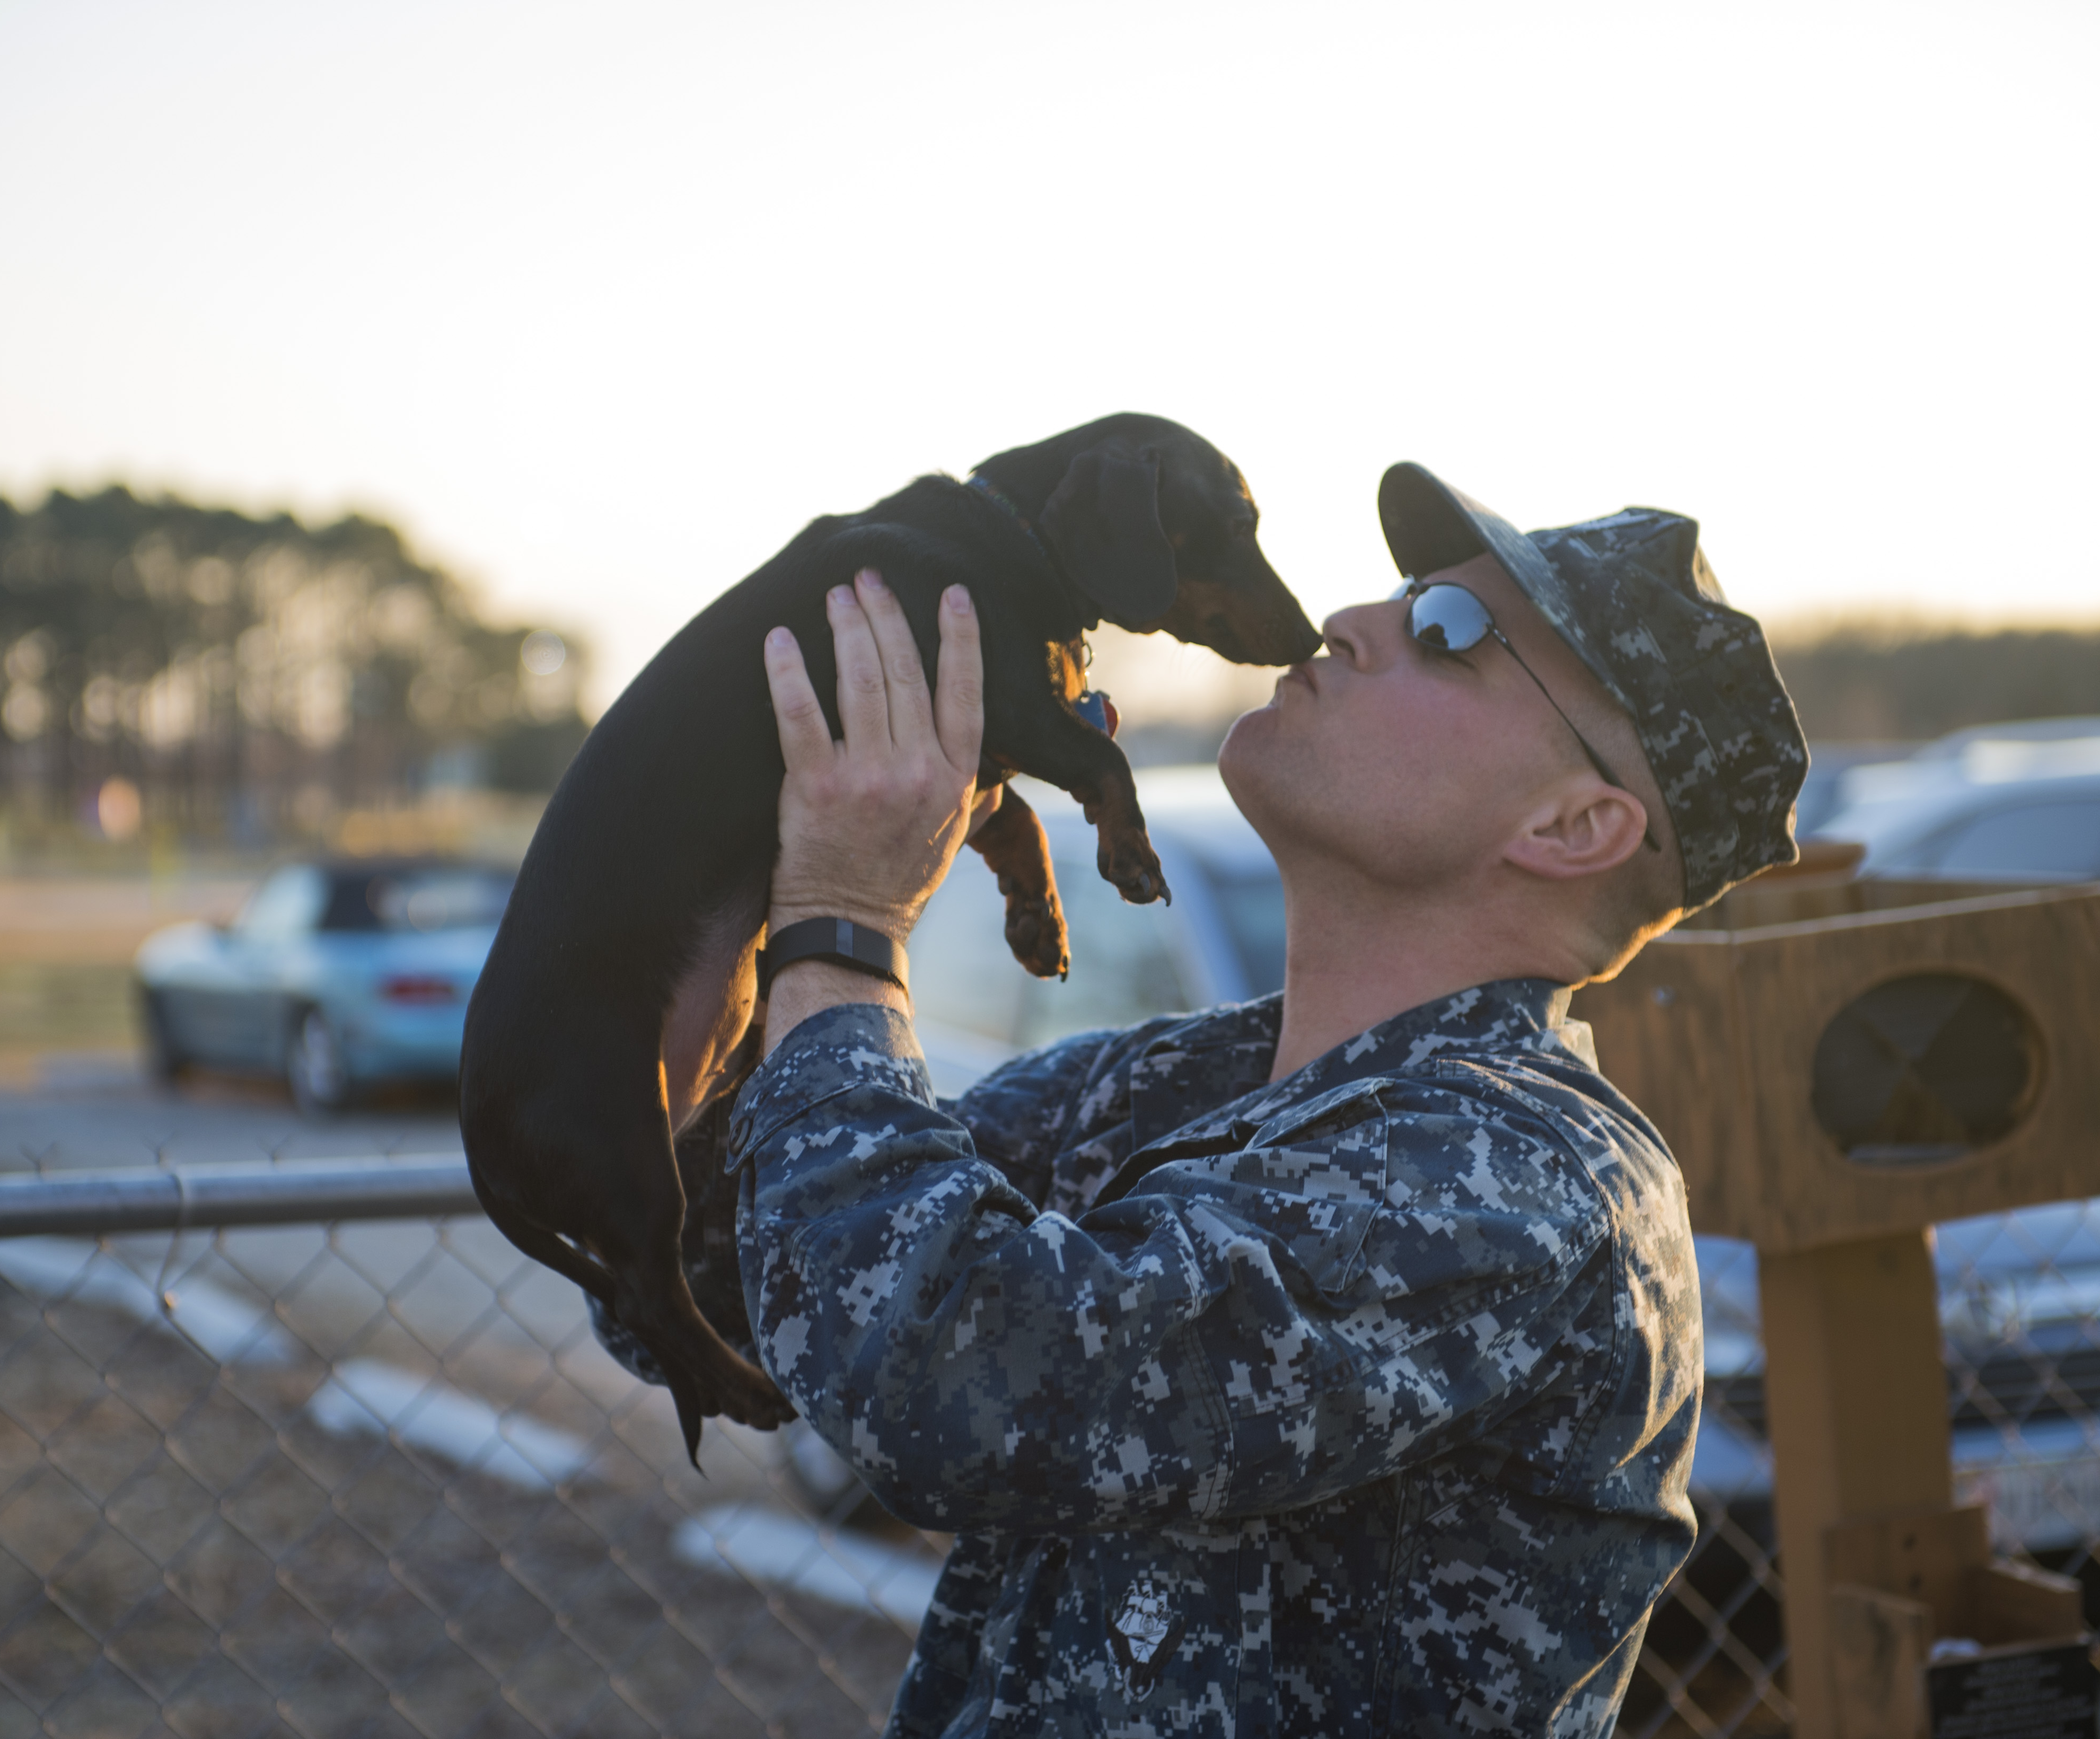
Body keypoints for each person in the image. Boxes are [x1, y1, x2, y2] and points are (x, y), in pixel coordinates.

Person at [731, 465, 1808, 1736]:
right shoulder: (1180, 1079)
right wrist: (734, 865)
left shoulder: (1518, 1177)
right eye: (1404, 591)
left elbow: (950, 1378)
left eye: (1448, 631)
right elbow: (725, 1275)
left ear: (1574, 825)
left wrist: (842, 924)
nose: (1347, 619)